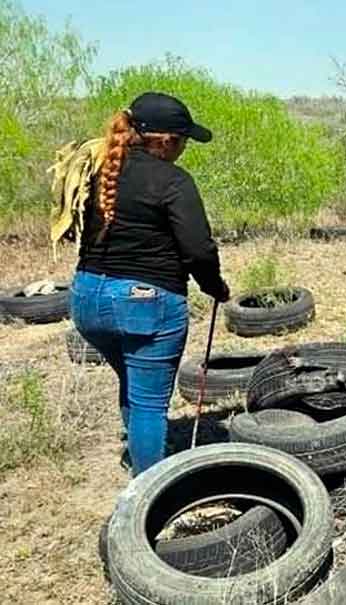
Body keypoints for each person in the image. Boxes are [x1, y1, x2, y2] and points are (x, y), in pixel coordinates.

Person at [69, 92, 229, 477]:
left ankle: (143, 454)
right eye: (184, 140)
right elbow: (198, 249)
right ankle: (150, 492)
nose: (185, 148)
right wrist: (215, 286)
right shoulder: (173, 181)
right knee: (150, 404)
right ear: (165, 140)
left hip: (86, 298)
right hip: (145, 302)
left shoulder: (98, 169)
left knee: (133, 380)